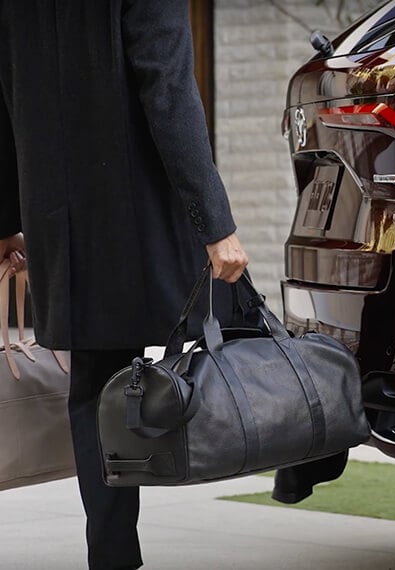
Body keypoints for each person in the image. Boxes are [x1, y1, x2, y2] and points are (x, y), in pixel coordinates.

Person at [0, 1, 247, 568]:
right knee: (236, 331)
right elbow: (167, 88)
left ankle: (112, 556)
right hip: (139, 214)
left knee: (96, 386)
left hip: (59, 218)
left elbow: (3, 96)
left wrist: (5, 219)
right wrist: (216, 224)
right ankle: (302, 460)